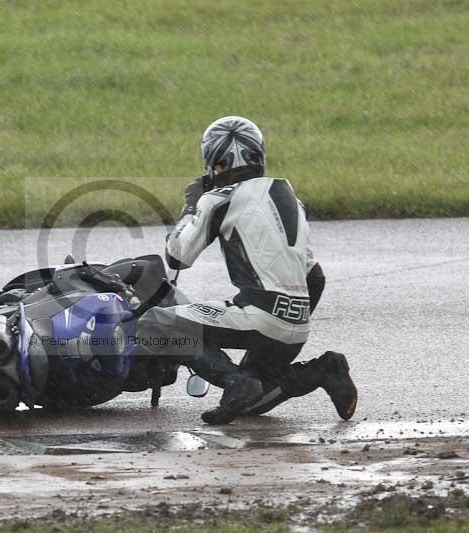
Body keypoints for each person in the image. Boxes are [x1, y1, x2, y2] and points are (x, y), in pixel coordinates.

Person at [136, 116, 357, 424]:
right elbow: (315, 278)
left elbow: (177, 255)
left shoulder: (219, 199)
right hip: (296, 325)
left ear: (216, 162)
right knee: (250, 406)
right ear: (258, 154)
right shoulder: (290, 198)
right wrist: (292, 320)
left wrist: (191, 204)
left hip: (259, 315)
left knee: (153, 323)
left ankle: (234, 380)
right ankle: (323, 370)